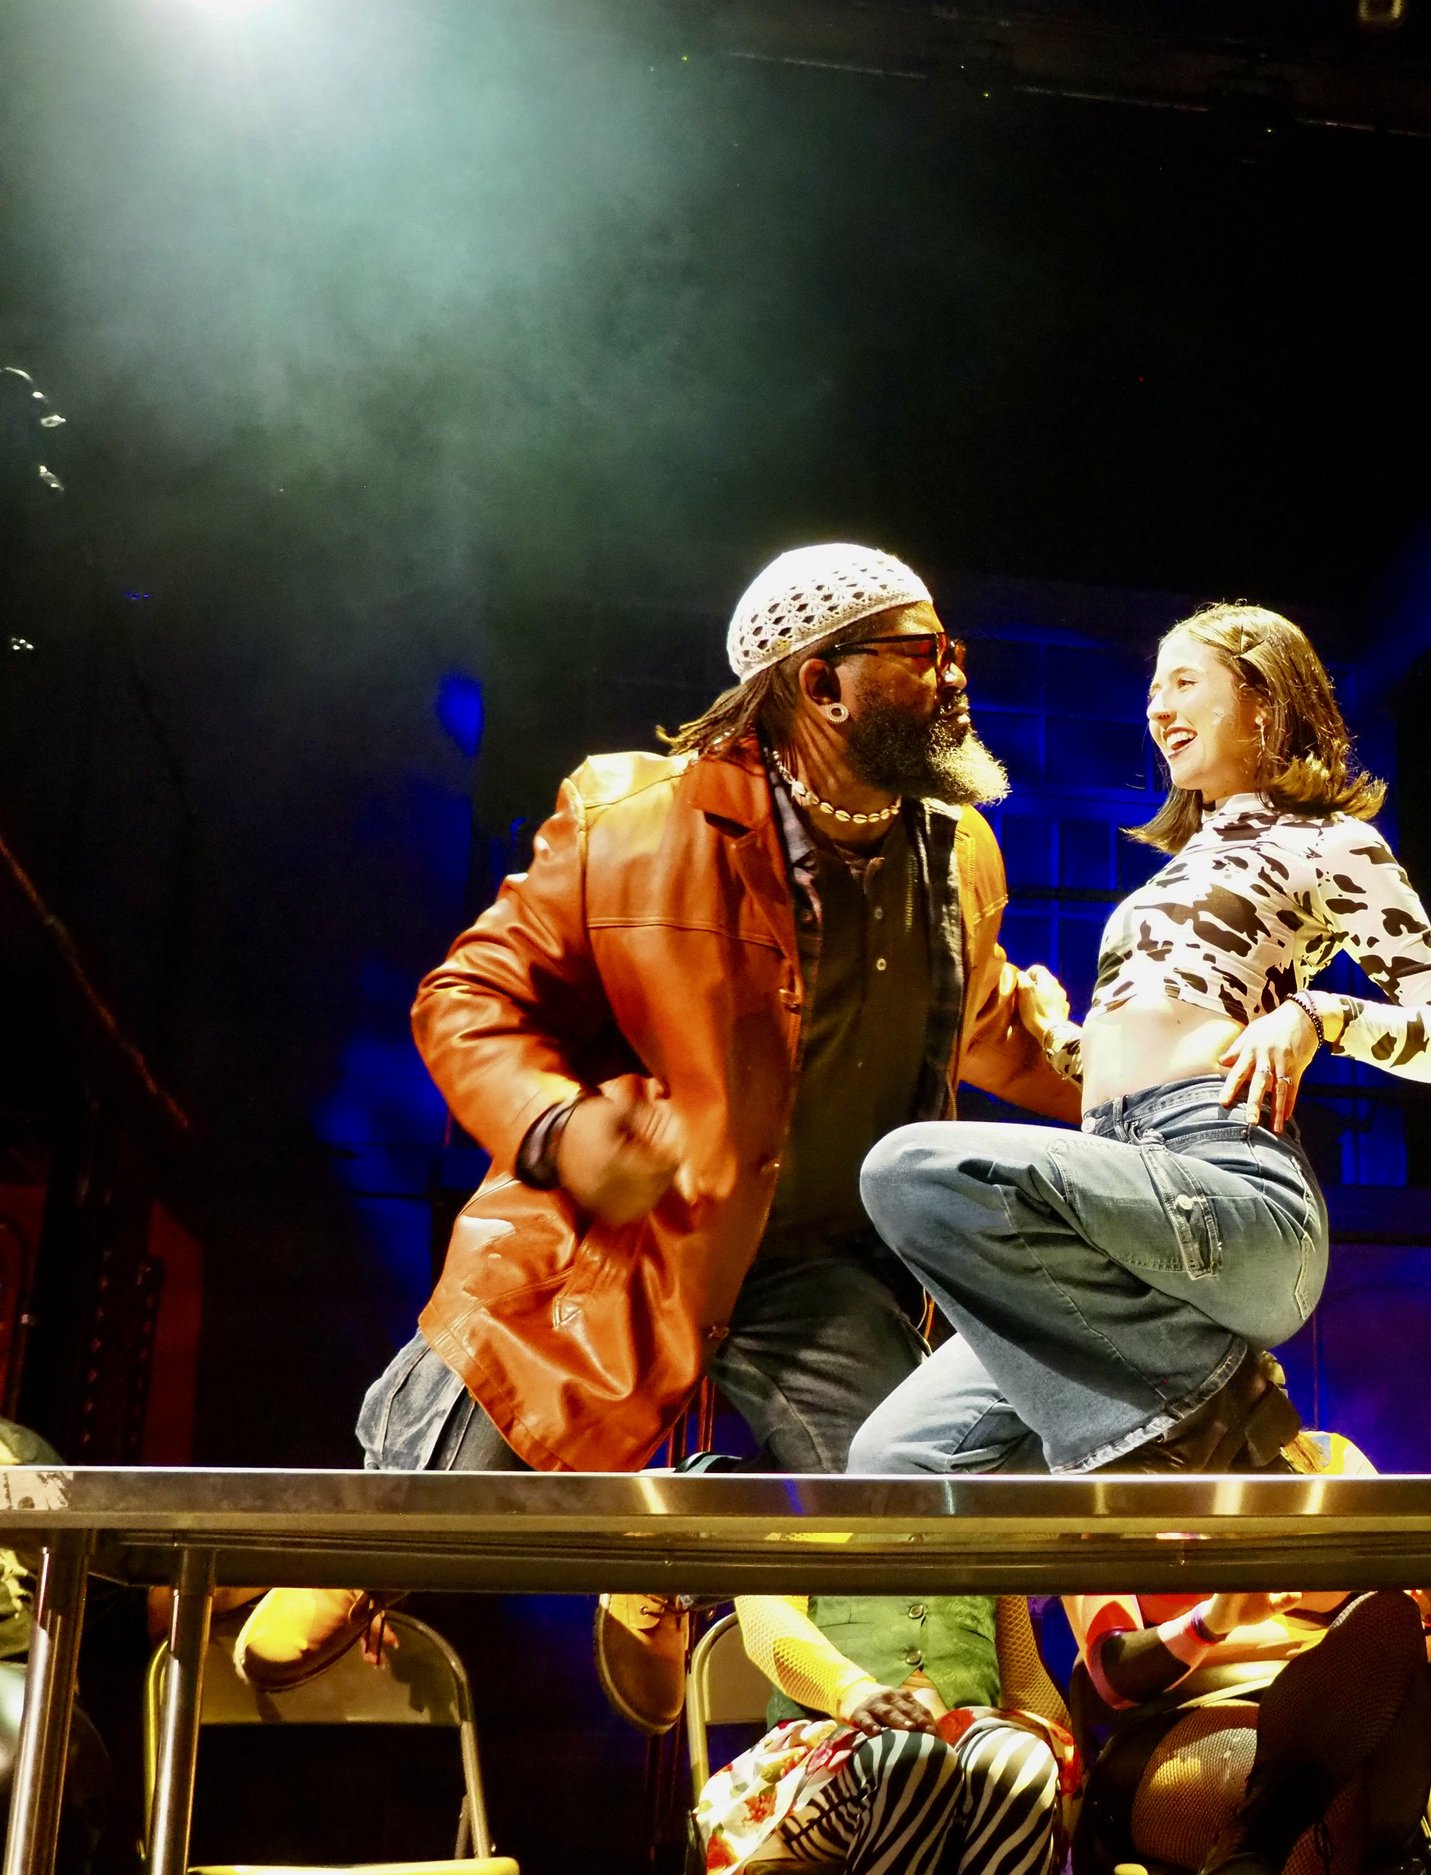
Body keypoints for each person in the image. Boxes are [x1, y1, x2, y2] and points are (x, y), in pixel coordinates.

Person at [237, 544, 1079, 1729]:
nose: (953, 678)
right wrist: (562, 1132)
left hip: (827, 1264)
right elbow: (466, 999)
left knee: (905, 1543)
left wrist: (1131, 1079)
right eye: (919, 654)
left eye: (953, 651)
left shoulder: (964, 851)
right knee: (453, 1482)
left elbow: (972, 1027)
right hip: (629, 1239)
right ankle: (374, 1533)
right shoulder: (632, 816)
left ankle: (796, 1682)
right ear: (817, 683)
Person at [846, 603, 1431, 1476]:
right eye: (1153, 690)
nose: (1157, 708)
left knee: (909, 1171)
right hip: (1123, 1189)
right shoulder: (1174, 873)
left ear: (1263, 699)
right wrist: (1062, 1038)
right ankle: (1194, 1458)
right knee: (896, 1457)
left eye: (1184, 682)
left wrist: (1318, 1018)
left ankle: (1215, 1424)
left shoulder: (1328, 841)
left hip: (1229, 1186)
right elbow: (1143, 1054)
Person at [1065, 1432, 1431, 1875]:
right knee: (1323, 1827)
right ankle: (1261, 1839)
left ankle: (1251, 1845)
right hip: (1176, 1719)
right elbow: (1112, 1673)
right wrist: (1214, 1621)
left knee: (1392, 1618)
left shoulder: (1329, 1460)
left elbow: (1418, 1632)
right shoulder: (1109, 1486)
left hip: (1339, 1711)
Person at [692, 1592, 1071, 1875]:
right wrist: (851, 1691)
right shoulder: (807, 1499)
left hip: (965, 1737)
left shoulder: (978, 1516)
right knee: (913, 1758)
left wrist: (1061, 1768)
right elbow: (766, 1618)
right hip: (837, 1748)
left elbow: (1027, 1678)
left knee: (1021, 1762)